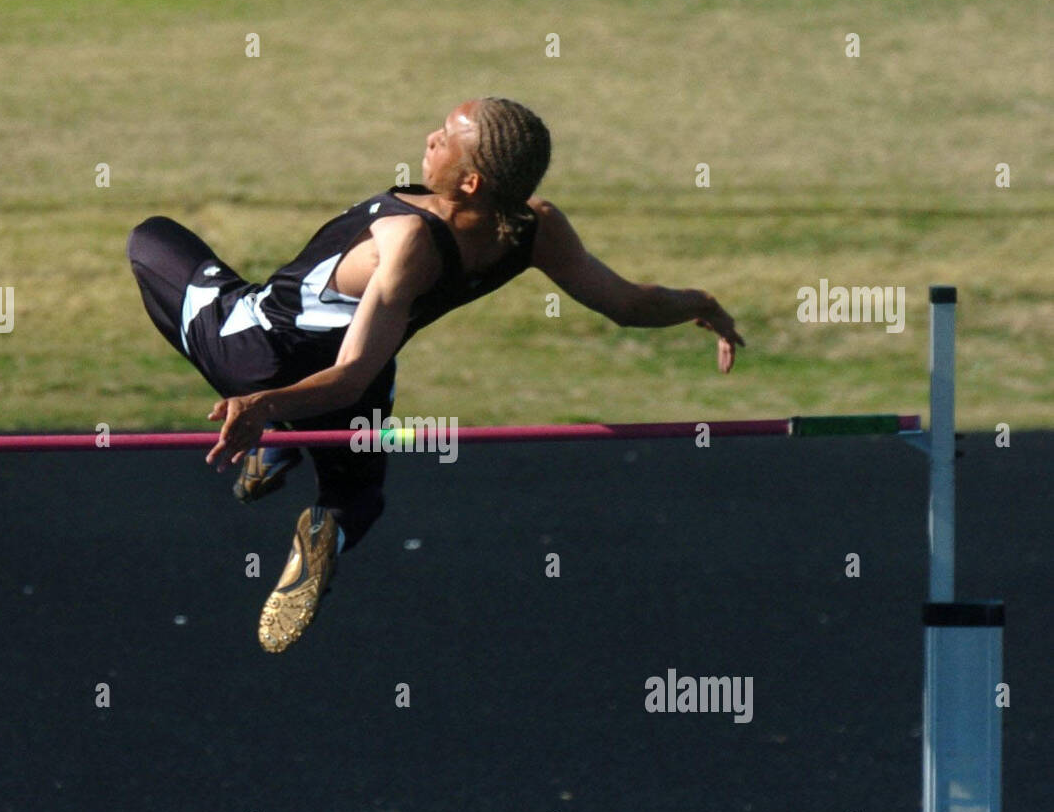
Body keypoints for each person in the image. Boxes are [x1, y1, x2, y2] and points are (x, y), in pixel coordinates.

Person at [127, 97, 746, 654]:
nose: (429, 137)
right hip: (360, 370)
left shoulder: (409, 241)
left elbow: (343, 375)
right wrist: (701, 303)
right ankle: (320, 519)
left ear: (470, 181)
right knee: (355, 499)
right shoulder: (535, 229)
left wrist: (260, 403)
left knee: (151, 239)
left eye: (444, 139)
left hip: (258, 353)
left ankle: (285, 429)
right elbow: (628, 304)